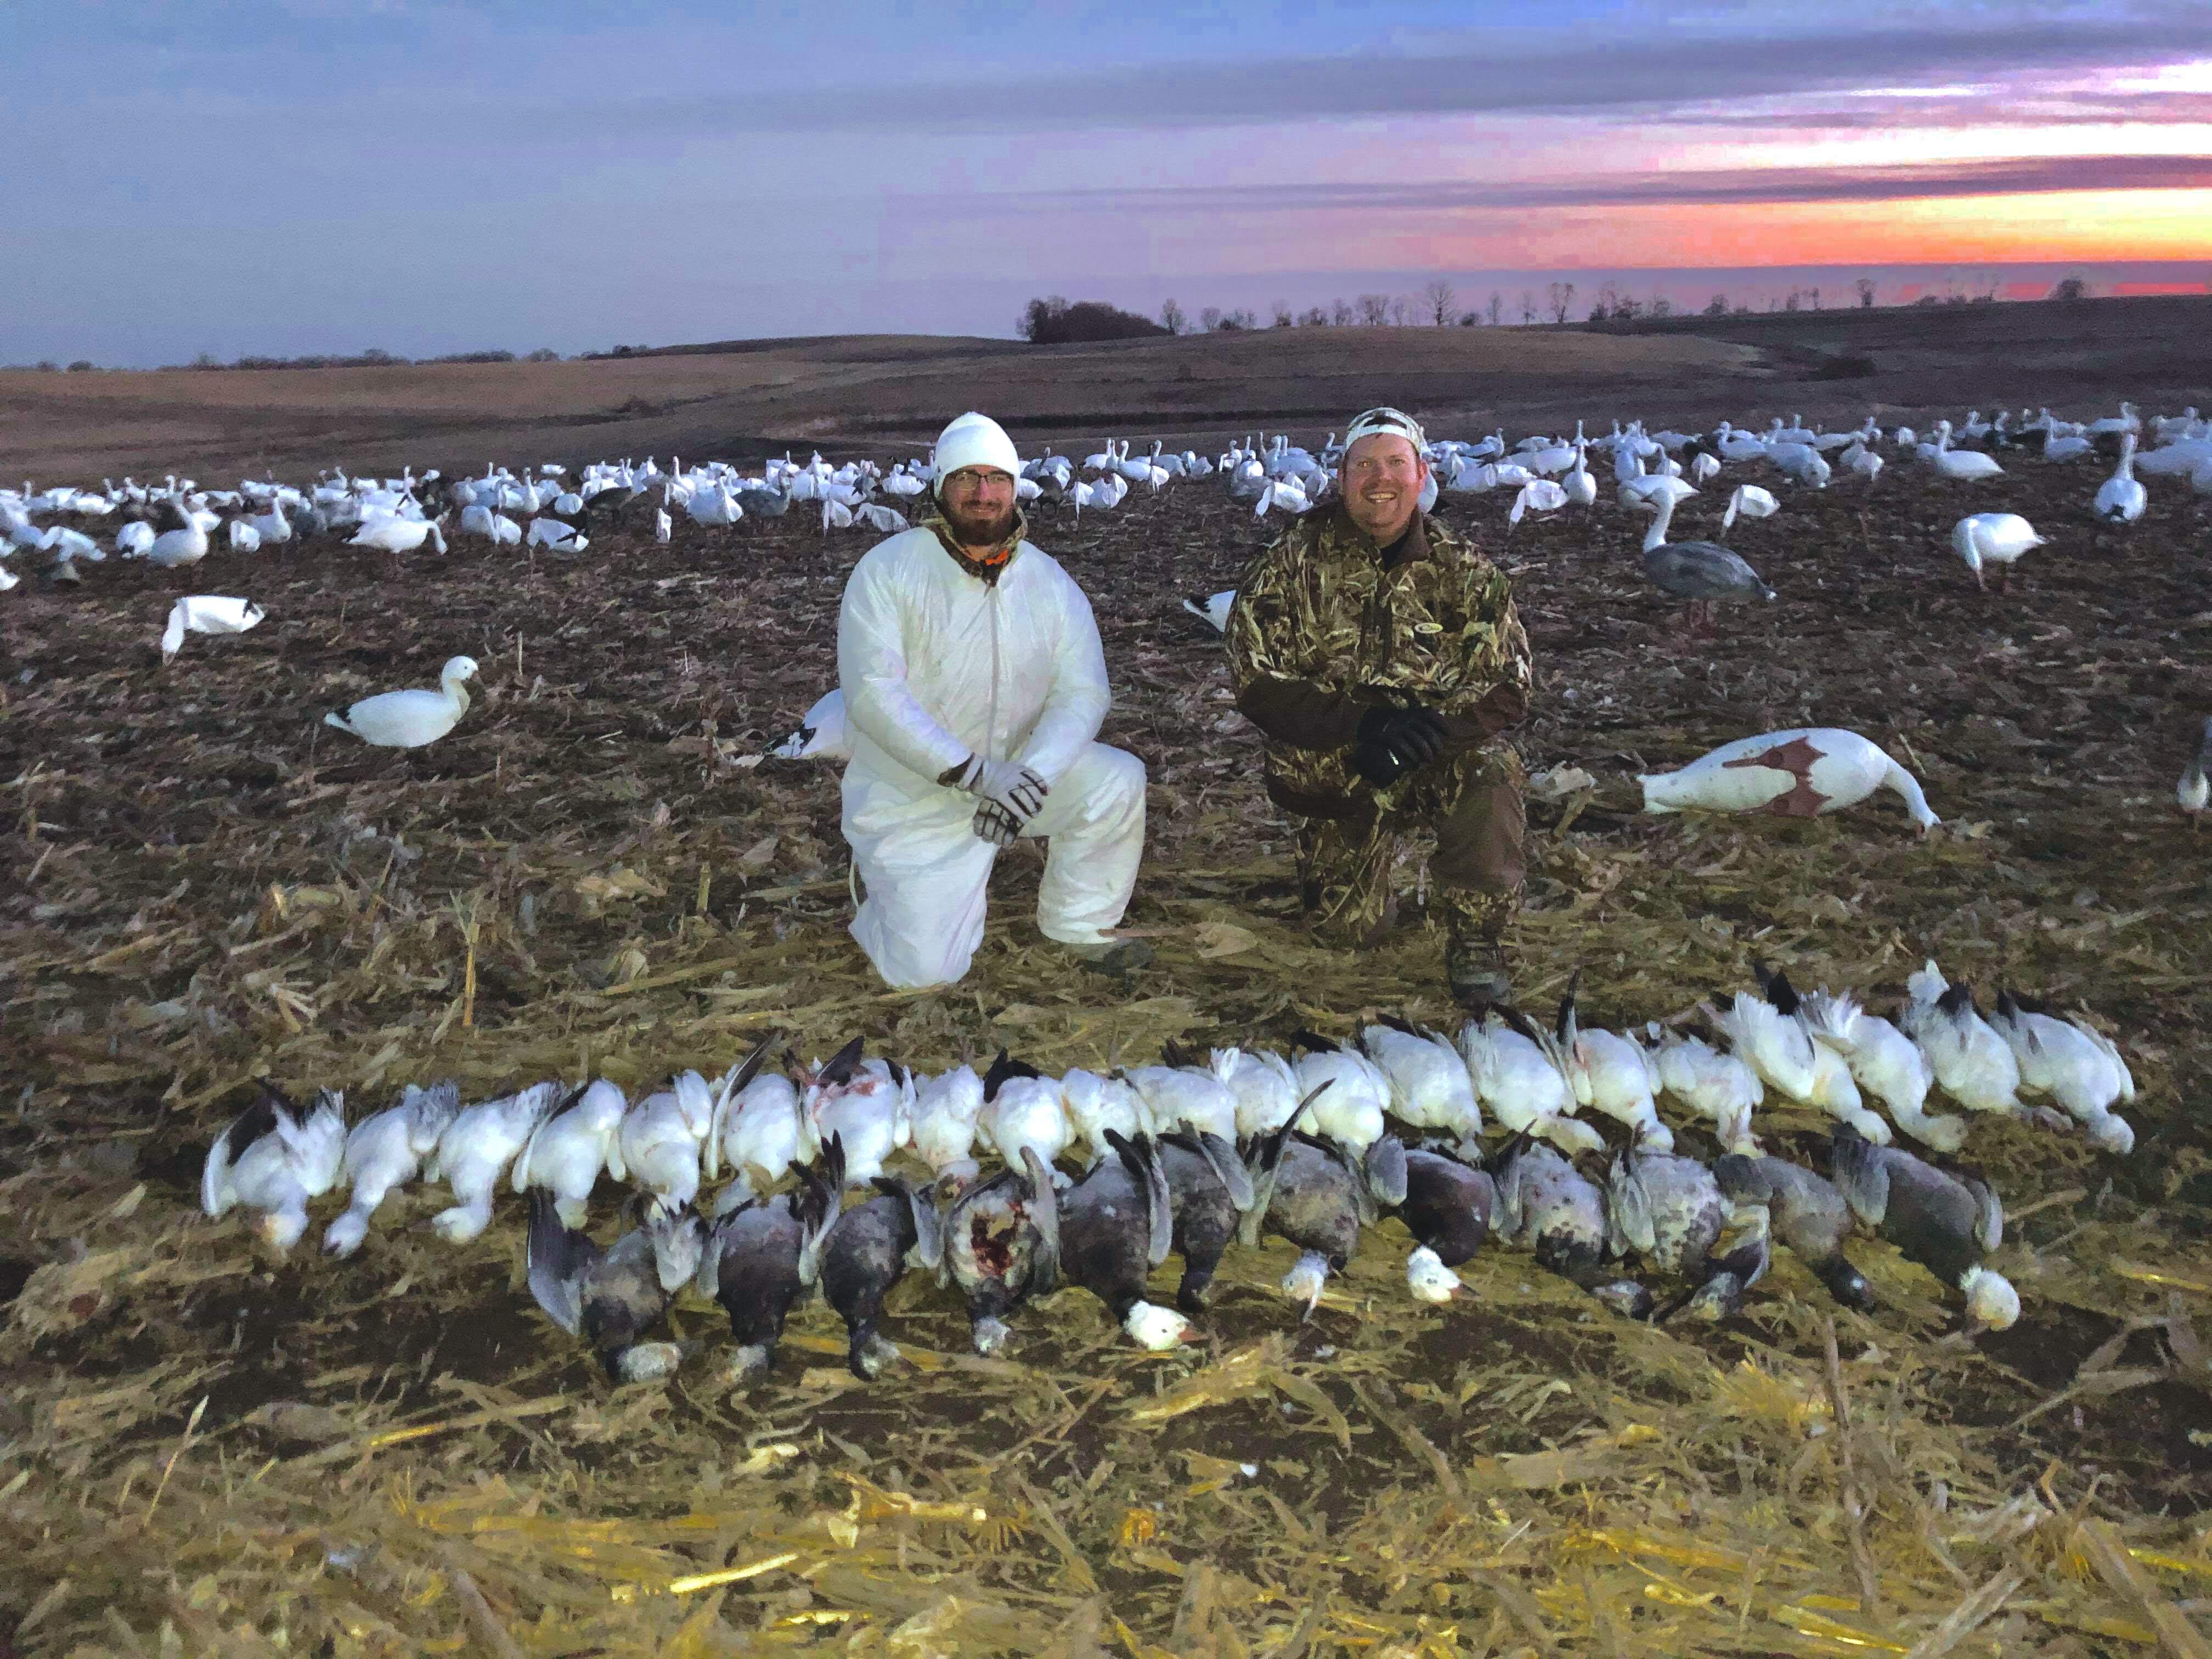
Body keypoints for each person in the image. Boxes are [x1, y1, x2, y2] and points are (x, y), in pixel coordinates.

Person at [1224, 406, 1532, 1007]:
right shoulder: (1289, 563)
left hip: (1431, 755)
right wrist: (1366, 724)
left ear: (1423, 474)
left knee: (1493, 768)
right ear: (1342, 478)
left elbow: (1508, 684)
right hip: (1334, 768)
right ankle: (1354, 864)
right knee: (1349, 935)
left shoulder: (1465, 570)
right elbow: (1254, 679)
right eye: (1365, 464)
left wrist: (1431, 733)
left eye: (1395, 463)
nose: (1380, 479)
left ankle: (1474, 932)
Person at [836, 411, 1150, 989]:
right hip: (918, 797)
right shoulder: (889, 572)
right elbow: (873, 693)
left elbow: (1083, 691)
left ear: (1015, 487)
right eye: (967, 477)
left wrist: (1028, 777)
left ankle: (1078, 924)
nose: (983, 493)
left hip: (1013, 781)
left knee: (1115, 780)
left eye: (997, 478)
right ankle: (875, 883)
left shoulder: (1050, 584)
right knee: (925, 975)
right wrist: (972, 773)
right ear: (940, 486)